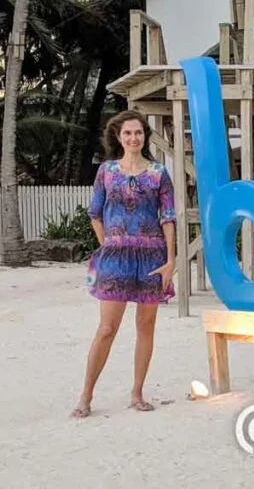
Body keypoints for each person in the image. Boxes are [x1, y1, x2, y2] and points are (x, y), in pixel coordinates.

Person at [71, 110, 176, 418]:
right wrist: (108, 246)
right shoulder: (106, 171)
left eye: (139, 133)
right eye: (128, 133)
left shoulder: (158, 173)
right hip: (116, 258)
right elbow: (95, 213)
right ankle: (86, 395)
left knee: (146, 326)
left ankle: (137, 392)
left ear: (145, 136)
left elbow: (168, 218)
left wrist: (170, 261)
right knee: (106, 328)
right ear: (119, 137)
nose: (133, 138)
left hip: (152, 258)